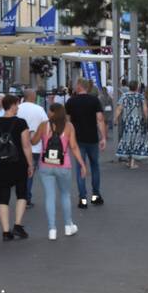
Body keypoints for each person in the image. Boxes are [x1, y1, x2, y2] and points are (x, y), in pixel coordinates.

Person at [31, 103, 87, 240]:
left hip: (45, 166)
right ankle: (68, 226)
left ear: (52, 112)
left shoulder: (44, 125)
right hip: (63, 165)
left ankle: (52, 230)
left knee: (50, 197)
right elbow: (73, 147)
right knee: (65, 195)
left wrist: (31, 134)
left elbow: (33, 142)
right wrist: (82, 164)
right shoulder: (69, 126)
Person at [0, 94, 33, 241]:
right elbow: (26, 146)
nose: (18, 107)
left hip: (1, 164)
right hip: (18, 162)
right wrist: (30, 164)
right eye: (17, 104)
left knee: (3, 196)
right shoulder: (21, 123)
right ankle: (18, 225)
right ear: (12, 105)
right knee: (22, 193)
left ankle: (6, 232)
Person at [65, 77, 107, 208]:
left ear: (79, 86)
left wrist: (66, 139)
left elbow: (67, 122)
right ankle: (96, 196)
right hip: (92, 139)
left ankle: (82, 199)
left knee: (80, 168)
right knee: (95, 166)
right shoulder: (94, 100)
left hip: (76, 140)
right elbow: (100, 120)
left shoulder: (71, 101)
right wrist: (103, 137)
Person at [17, 88, 49, 208]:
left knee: (21, 172)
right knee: (30, 172)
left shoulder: (18, 108)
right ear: (33, 96)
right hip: (35, 146)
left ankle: (21, 196)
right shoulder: (39, 109)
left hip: (19, 145)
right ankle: (26, 197)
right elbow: (46, 126)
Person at [114, 80, 148, 169]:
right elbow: (145, 109)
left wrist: (115, 119)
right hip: (138, 122)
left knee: (128, 140)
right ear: (137, 87)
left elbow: (119, 108)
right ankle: (132, 163)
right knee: (136, 140)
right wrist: (146, 118)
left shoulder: (124, 96)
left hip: (127, 122)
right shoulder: (140, 96)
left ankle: (129, 161)